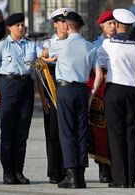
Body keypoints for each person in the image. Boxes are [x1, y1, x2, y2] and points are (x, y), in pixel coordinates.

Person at [48, 11, 103, 189]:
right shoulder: (91, 47)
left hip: (65, 89)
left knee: (66, 132)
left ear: (67, 25)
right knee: (81, 131)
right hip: (82, 90)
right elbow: (99, 75)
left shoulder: (60, 45)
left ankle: (71, 174)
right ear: (81, 26)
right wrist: (92, 93)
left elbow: (44, 54)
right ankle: (80, 176)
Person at [98, 8, 135, 188]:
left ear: (118, 24)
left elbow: (100, 65)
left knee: (115, 135)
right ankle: (130, 179)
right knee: (130, 135)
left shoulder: (107, 44)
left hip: (114, 90)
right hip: (131, 91)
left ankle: (119, 179)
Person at [0, 12, 40, 184]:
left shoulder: (31, 45)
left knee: (22, 132)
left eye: (22, 24)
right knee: (8, 132)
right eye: (17, 25)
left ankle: (18, 171)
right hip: (8, 85)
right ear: (9, 28)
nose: (21, 27)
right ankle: (7, 172)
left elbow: (38, 64)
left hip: (26, 86)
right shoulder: (1, 46)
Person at [38, 7, 74, 184]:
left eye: (67, 21)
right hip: (52, 90)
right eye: (62, 21)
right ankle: (54, 172)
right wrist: (43, 97)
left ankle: (69, 169)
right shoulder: (47, 45)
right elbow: (39, 71)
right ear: (55, 24)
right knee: (53, 132)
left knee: (69, 132)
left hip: (69, 89)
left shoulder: (73, 42)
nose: (65, 25)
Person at [87, 10, 115, 183]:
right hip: (99, 89)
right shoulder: (94, 45)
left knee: (115, 128)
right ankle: (103, 168)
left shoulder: (123, 41)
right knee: (99, 129)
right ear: (102, 25)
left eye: (114, 23)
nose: (113, 26)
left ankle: (116, 166)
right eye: (109, 23)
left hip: (116, 86)